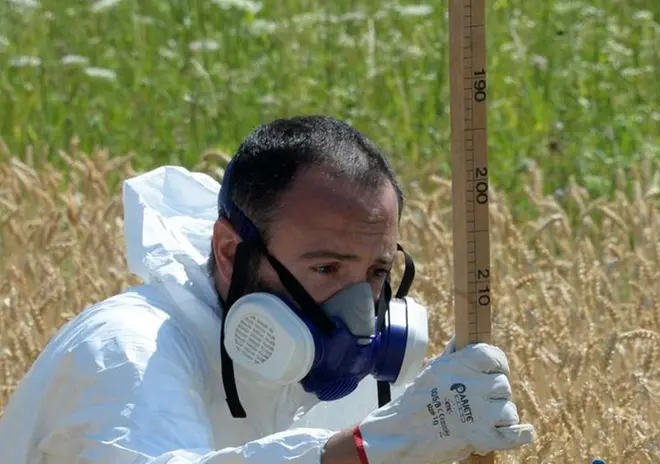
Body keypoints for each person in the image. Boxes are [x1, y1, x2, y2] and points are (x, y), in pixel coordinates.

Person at [0, 115, 535, 463]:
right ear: (231, 253)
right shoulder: (126, 349)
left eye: (374, 273)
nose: (361, 317)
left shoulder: (370, 376)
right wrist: (368, 450)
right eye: (326, 269)